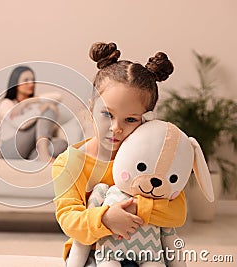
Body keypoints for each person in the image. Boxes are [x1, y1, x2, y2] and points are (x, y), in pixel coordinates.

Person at [53, 42, 186, 266]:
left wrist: (137, 209)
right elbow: (69, 219)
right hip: (93, 252)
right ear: (91, 107)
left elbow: (177, 213)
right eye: (107, 114)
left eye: (131, 119)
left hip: (146, 251)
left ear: (147, 120)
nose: (116, 128)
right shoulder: (70, 162)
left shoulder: (154, 158)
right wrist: (105, 218)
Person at [0, 65, 68, 162]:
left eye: (33, 80)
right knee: (47, 109)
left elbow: (58, 96)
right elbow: (21, 124)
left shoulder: (33, 104)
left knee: (62, 144)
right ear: (15, 83)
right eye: (26, 80)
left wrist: (27, 101)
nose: (31, 83)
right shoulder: (6, 103)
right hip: (7, 150)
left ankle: (38, 156)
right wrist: (41, 110)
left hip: (27, 148)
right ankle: (43, 154)